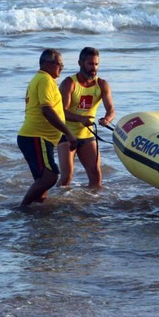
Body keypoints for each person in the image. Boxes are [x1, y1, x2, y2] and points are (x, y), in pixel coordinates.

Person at [16, 49, 79, 206]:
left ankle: (37, 211)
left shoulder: (40, 79)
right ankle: (22, 208)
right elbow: (47, 109)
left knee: (42, 181)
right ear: (46, 64)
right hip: (36, 137)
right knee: (50, 176)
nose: (62, 67)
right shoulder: (45, 80)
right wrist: (68, 132)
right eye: (59, 64)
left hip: (38, 138)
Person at [58, 47, 115, 189]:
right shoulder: (69, 83)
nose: (94, 68)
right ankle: (53, 203)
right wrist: (81, 119)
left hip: (87, 136)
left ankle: (92, 206)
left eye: (96, 64)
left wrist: (107, 119)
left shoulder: (102, 84)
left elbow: (111, 109)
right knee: (67, 177)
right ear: (80, 63)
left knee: (96, 177)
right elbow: (61, 112)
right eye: (90, 64)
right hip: (66, 134)